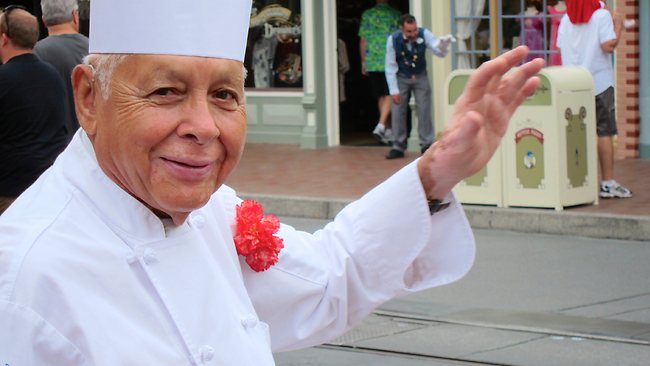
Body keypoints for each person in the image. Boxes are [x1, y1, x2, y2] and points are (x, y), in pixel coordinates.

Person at [0, 0, 544, 363]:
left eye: (225, 96)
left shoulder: (214, 212)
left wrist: (433, 174)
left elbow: (330, 278)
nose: (204, 128)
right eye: (165, 92)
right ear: (89, 99)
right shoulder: (26, 280)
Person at [557, 0, 632, 198]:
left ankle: (578, 180)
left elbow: (559, 48)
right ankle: (607, 183)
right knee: (604, 132)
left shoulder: (566, 19)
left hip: (573, 83)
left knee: (576, 132)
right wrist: (618, 25)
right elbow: (608, 45)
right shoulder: (601, 16)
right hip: (599, 83)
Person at [0, 5, 68, 215]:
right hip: (48, 187)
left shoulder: (3, 79)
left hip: (11, 193)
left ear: (4, 38)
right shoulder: (52, 75)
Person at [385, 14, 455, 159]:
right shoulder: (393, 40)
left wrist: (443, 45)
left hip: (420, 76)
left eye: (415, 30)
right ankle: (398, 146)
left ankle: (426, 144)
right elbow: (390, 65)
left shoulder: (425, 34)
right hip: (401, 77)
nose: (413, 34)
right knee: (398, 110)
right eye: (409, 31)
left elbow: (438, 51)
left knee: (424, 108)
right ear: (402, 29)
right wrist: (394, 90)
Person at [34, 0, 89, 142]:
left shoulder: (34, 54)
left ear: (44, 21)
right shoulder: (93, 51)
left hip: (52, 145)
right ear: (75, 16)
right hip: (89, 142)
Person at [358, 0, 400, 144]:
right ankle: (383, 126)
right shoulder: (395, 14)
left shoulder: (367, 14)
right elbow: (398, 39)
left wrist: (363, 61)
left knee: (381, 95)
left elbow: (363, 40)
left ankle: (385, 129)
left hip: (372, 59)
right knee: (389, 92)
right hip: (389, 59)